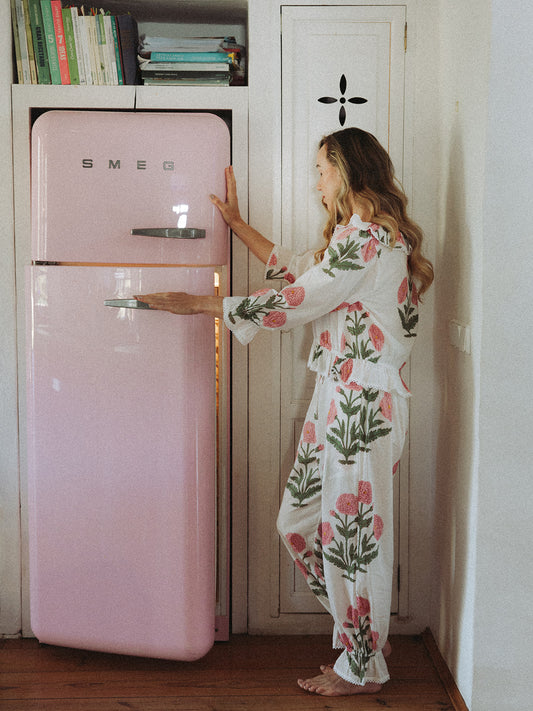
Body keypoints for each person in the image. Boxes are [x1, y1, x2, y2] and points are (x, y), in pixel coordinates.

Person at [135, 127, 434, 697]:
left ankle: (363, 665)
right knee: (298, 523)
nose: (316, 182)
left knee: (352, 536)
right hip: (338, 395)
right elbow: (302, 269)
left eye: (321, 170)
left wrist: (200, 304)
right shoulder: (353, 238)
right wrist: (237, 224)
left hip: (363, 403)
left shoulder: (369, 239)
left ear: (346, 171)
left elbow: (301, 299)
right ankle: (366, 639)